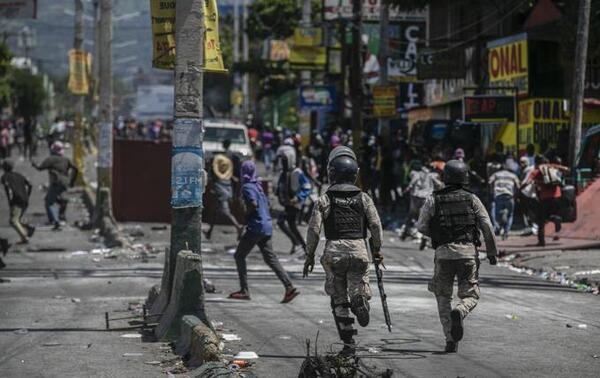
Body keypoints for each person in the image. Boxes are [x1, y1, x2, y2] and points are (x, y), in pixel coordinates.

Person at [303, 146, 383, 355]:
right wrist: (377, 250)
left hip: (334, 251)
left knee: (338, 298)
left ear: (331, 174)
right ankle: (359, 298)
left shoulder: (325, 198)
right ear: (355, 174)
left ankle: (349, 343)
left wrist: (309, 255)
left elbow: (313, 229)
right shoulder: (364, 198)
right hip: (358, 249)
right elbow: (375, 225)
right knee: (357, 284)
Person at [417, 160, 498, 353]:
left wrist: (438, 237)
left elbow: (421, 226)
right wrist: (492, 253)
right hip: (468, 253)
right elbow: (487, 226)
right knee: (470, 294)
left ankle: (450, 339)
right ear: (465, 178)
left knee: (443, 297)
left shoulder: (433, 199)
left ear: (445, 177)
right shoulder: (472, 199)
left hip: (443, 254)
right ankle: (461, 311)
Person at [228, 160, 300, 303]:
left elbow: (253, 204)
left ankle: (244, 290)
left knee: (239, 256)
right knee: (270, 259)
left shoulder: (247, 187)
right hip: (266, 226)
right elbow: (265, 205)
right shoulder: (258, 186)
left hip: (256, 227)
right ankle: (289, 287)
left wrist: (246, 215)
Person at [522, 156, 570, 246]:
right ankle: (556, 218)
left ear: (536, 163)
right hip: (557, 196)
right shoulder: (552, 166)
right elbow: (567, 170)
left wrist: (519, 190)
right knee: (549, 214)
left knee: (541, 220)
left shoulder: (536, 171)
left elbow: (527, 182)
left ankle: (541, 241)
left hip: (544, 198)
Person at [32, 141, 78, 230]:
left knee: (49, 202)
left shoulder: (51, 159)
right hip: (65, 182)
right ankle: (60, 216)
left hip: (56, 182)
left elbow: (40, 168)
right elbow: (75, 169)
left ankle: (56, 221)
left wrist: (34, 164)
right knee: (59, 199)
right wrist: (72, 181)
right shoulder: (66, 159)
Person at [204, 140, 243, 240]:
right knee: (215, 210)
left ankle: (238, 227)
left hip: (221, 187)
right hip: (228, 186)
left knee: (224, 211)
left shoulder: (219, 157)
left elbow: (213, 172)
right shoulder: (233, 156)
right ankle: (209, 231)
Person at [276, 152, 311, 255]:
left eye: (285, 161)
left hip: (295, 203)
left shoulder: (297, 172)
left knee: (281, 221)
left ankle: (298, 244)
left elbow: (307, 186)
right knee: (291, 226)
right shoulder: (283, 173)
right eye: (282, 161)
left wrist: (298, 198)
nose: (283, 163)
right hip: (287, 203)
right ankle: (302, 246)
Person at [1, 160, 35, 243]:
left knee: (13, 221)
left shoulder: (4, 176)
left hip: (16, 200)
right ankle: (29, 228)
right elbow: (30, 184)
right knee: (17, 218)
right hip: (25, 199)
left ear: (3, 168)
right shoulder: (19, 175)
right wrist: (28, 194)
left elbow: (9, 189)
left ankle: (24, 237)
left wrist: (11, 200)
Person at [488, 163, 520, 240]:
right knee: (510, 214)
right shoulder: (513, 175)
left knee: (497, 214)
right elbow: (518, 186)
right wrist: (515, 195)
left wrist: (492, 191)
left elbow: (489, 182)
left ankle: (499, 226)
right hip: (510, 196)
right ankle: (506, 232)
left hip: (498, 196)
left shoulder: (496, 174)